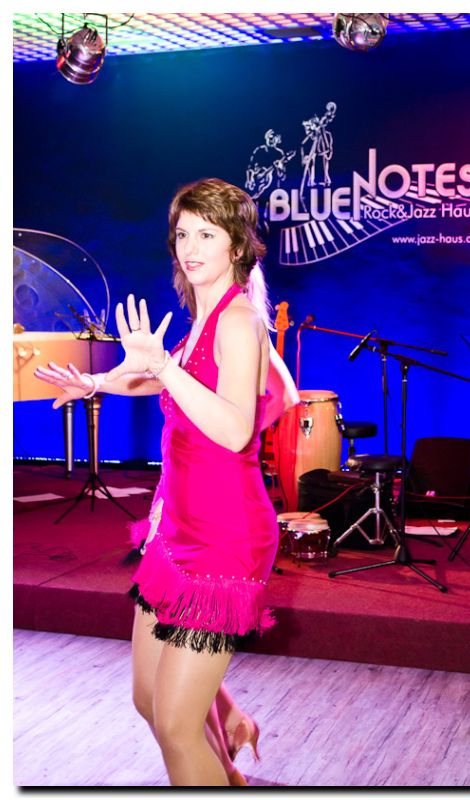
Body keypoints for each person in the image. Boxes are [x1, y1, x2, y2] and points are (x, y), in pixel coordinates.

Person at [34, 177, 299, 787]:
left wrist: (162, 367)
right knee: (149, 700)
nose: (190, 247)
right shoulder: (202, 319)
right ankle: (232, 737)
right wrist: (96, 383)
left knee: (177, 726)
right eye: (183, 234)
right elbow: (164, 378)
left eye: (207, 234)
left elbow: (234, 429)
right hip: (175, 527)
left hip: (224, 538)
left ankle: (225, 745)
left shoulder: (238, 320)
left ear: (237, 245)